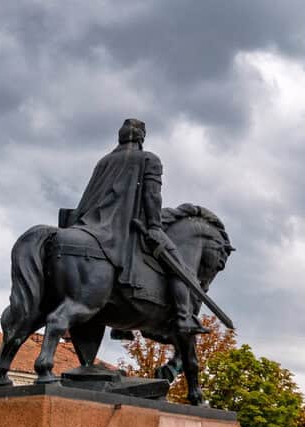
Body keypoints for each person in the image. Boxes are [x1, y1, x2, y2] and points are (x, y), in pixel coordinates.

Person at [66, 118, 207, 335]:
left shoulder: (104, 161)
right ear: (141, 137)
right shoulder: (149, 159)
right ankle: (183, 318)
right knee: (182, 268)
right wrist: (154, 226)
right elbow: (152, 195)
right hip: (126, 224)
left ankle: (121, 327)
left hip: (92, 222)